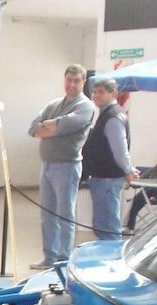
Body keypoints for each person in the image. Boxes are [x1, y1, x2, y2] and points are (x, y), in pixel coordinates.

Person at [28, 64, 96, 269]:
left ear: (83, 82)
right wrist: (54, 127)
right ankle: (49, 257)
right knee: (47, 215)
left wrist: (51, 126)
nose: (72, 85)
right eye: (69, 80)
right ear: (64, 80)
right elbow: (33, 129)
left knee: (65, 215)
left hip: (67, 167)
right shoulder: (54, 104)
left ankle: (64, 259)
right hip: (47, 166)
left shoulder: (85, 107)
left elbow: (63, 126)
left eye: (76, 81)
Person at [82, 77, 139, 240]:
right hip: (103, 178)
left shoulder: (113, 117)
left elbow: (120, 150)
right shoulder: (107, 114)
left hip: (107, 179)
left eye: (101, 92)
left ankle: (113, 254)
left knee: (108, 227)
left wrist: (127, 170)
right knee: (103, 225)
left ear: (113, 93)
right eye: (94, 92)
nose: (96, 96)